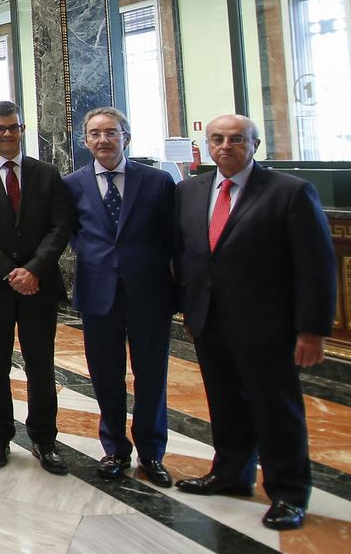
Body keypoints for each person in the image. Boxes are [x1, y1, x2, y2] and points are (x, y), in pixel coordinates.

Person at [173, 114, 335, 532]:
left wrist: (311, 329)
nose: (225, 146)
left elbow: (315, 266)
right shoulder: (190, 191)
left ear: (255, 145)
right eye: (217, 139)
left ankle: (288, 492)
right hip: (209, 321)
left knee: (275, 409)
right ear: (207, 145)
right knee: (224, 403)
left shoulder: (290, 192)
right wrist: (188, 310)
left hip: (268, 325)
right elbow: (187, 255)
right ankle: (231, 474)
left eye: (236, 139)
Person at [0, 100, 75, 474]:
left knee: (40, 364)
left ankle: (44, 438)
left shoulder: (47, 173)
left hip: (38, 286)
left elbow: (60, 227)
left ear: (22, 129)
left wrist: (34, 269)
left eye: (13, 127)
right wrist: (10, 272)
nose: (6, 134)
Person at [63, 107, 178, 487]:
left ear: (125, 137)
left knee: (151, 376)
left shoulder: (157, 182)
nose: (102, 140)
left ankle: (151, 452)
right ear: (85, 141)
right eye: (94, 134)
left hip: (149, 293)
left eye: (111, 133)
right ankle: (114, 449)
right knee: (106, 375)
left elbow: (173, 241)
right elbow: (73, 233)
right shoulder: (73, 184)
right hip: (98, 293)